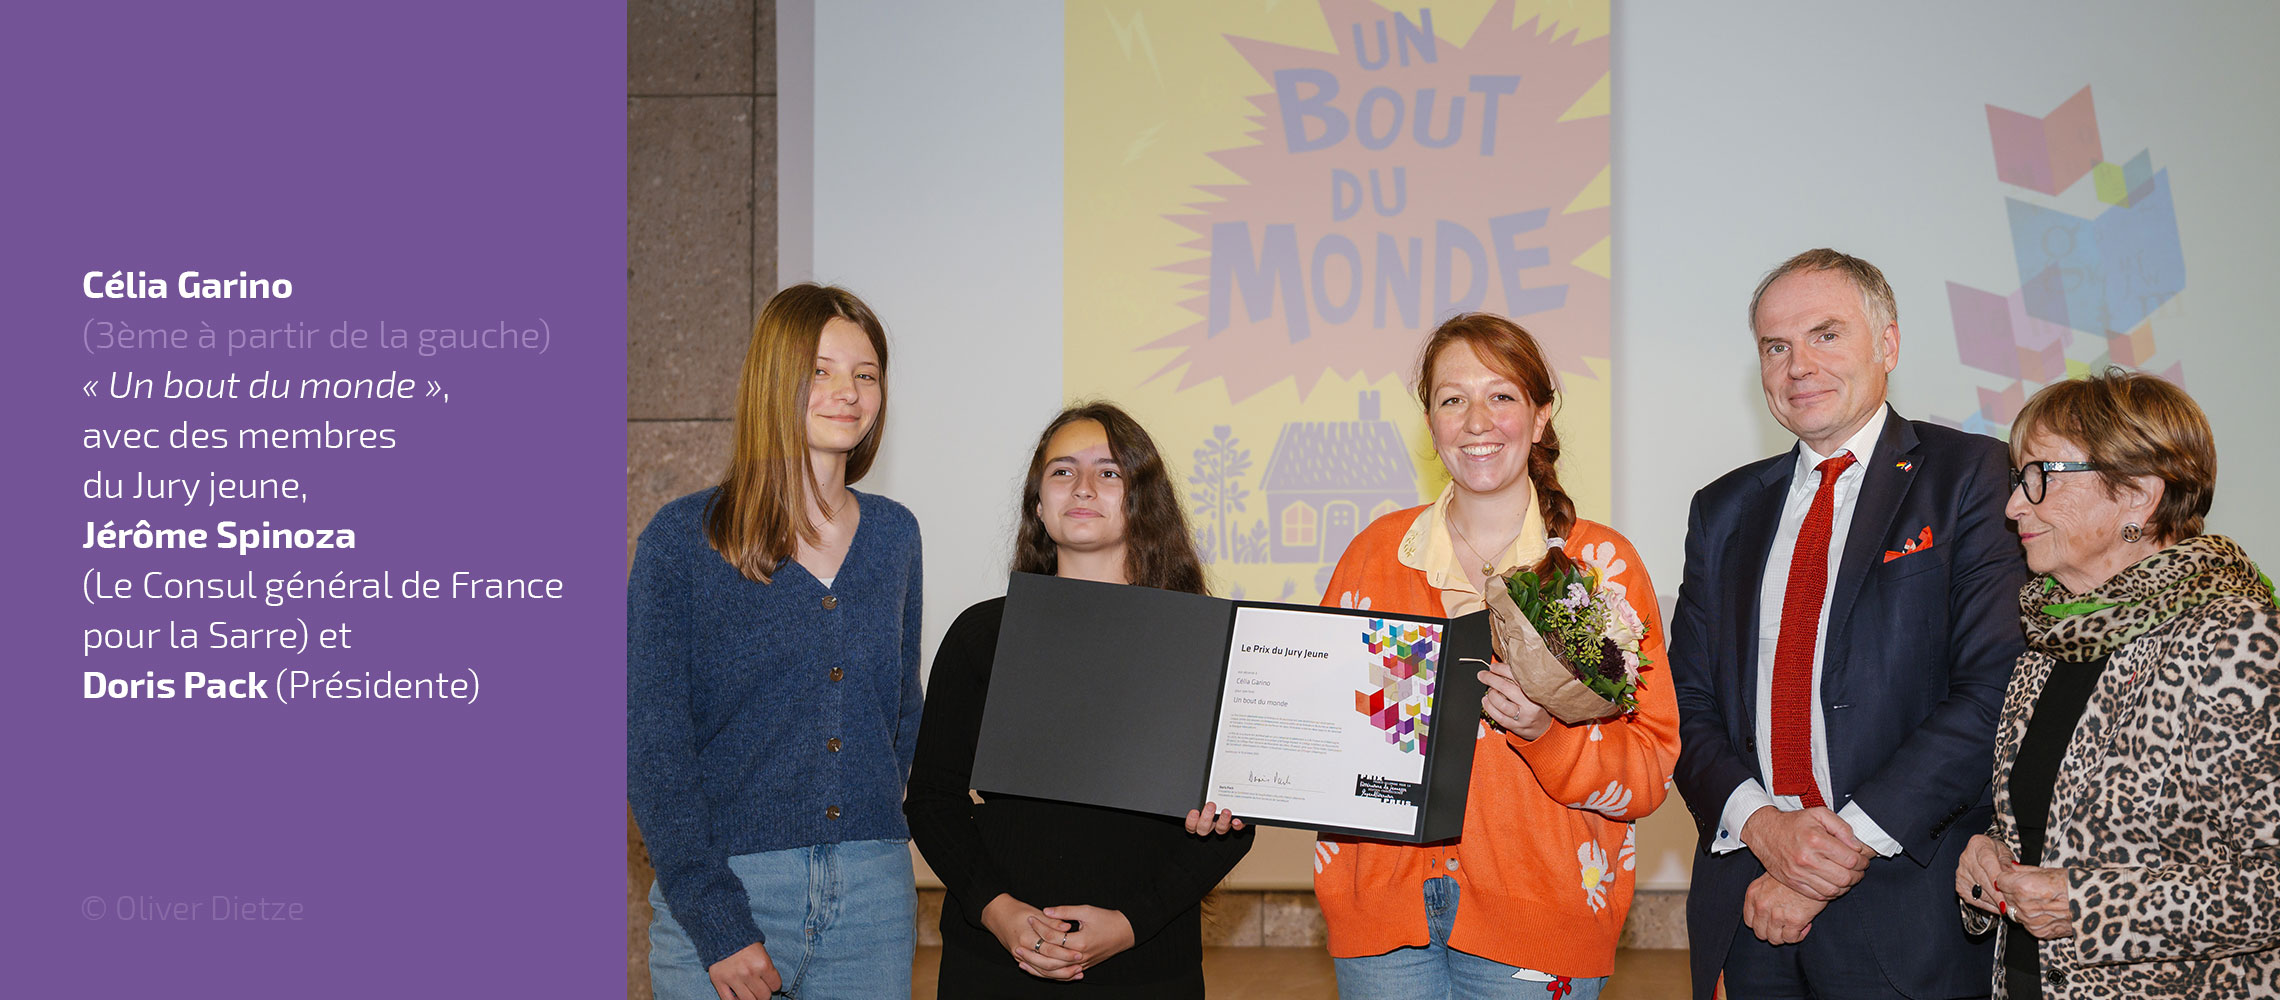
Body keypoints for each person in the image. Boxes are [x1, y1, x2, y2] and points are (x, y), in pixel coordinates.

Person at [1669, 249, 2032, 999]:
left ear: (1888, 344)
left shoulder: (1971, 476)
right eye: (1776, 346)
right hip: (1752, 904)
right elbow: (1687, 703)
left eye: (1826, 335)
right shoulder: (1723, 510)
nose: (1799, 364)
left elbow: (1994, 689)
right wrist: (1767, 831)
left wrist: (1835, 854)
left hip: (1906, 908)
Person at [1312, 313, 1680, 998]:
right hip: (1381, 918)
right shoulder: (1373, 557)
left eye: (1502, 396)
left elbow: (1650, 772)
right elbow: (1325, 732)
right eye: (1453, 399)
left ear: (1540, 417)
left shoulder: (1597, 570)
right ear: (1430, 422)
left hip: (1543, 917)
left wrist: (1546, 736)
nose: (1476, 420)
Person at [628, 283, 923, 1000]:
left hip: (873, 901)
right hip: (728, 895)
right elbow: (654, 746)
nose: (847, 392)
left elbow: (901, 715)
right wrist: (716, 920)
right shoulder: (682, 539)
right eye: (820, 370)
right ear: (773, 378)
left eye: (866, 374)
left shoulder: (894, 534)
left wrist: (882, 840)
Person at [905, 402, 1255, 998]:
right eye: (1062, 471)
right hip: (995, 960)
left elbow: (1236, 823)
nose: (1084, 487)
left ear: (1142, 500)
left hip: (1147, 961)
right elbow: (933, 799)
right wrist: (999, 912)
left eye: (1110, 472)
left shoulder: (1202, 643)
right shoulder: (980, 635)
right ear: (1038, 505)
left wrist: (1130, 924)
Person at [1952, 371, 2280, 999]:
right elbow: (2054, 829)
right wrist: (1987, 858)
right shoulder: (2048, 644)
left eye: (2039, 477)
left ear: (2137, 494)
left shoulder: (2238, 642)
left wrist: (2092, 907)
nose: (2013, 506)